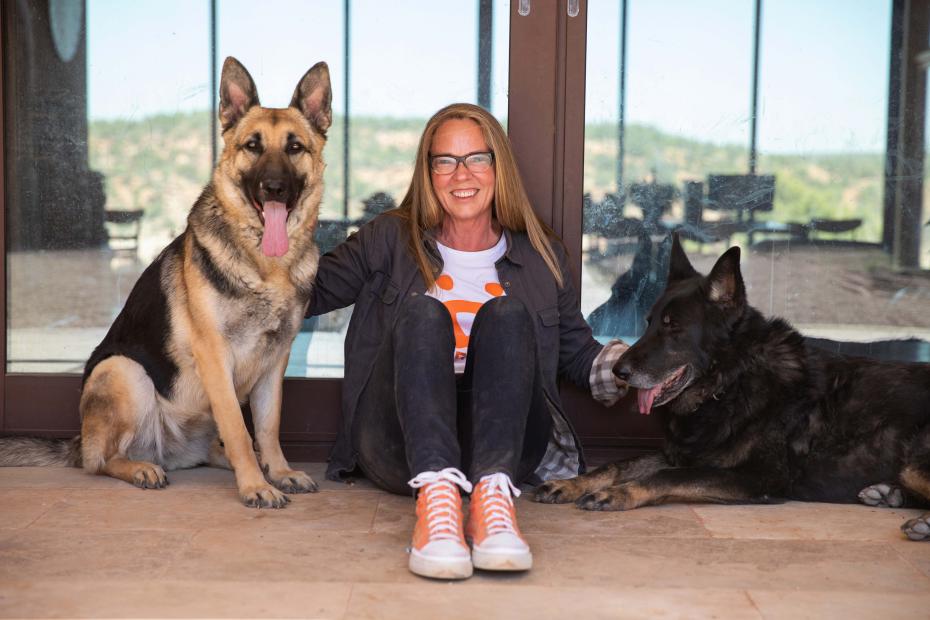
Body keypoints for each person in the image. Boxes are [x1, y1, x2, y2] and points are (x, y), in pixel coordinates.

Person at [306, 103, 628, 580]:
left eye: (477, 158)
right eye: (445, 160)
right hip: (398, 443)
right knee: (422, 310)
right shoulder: (390, 238)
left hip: (506, 446)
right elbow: (300, 292)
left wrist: (641, 365)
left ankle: (493, 504)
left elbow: (577, 353)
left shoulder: (541, 254)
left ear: (499, 168)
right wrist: (261, 232)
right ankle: (436, 503)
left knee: (507, 312)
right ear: (428, 171)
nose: (463, 174)